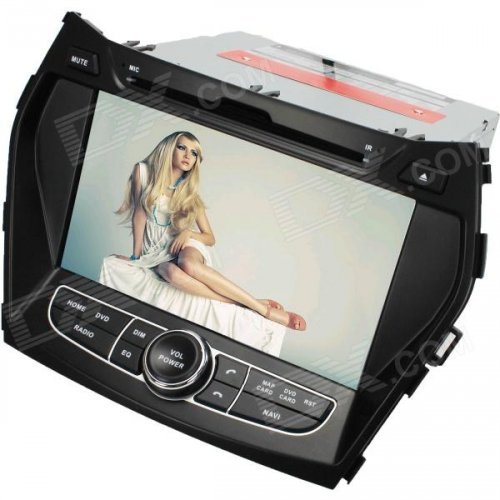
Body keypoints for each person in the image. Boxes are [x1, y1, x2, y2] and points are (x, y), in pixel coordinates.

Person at [114, 131, 306, 331]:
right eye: (182, 148)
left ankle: (263, 310)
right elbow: (139, 215)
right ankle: (250, 303)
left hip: (185, 246)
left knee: (188, 264)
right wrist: (136, 257)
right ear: (169, 148)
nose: (188, 156)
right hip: (158, 252)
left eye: (194, 153)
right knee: (171, 273)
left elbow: (210, 238)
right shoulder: (143, 172)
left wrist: (188, 233)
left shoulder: (189, 194)